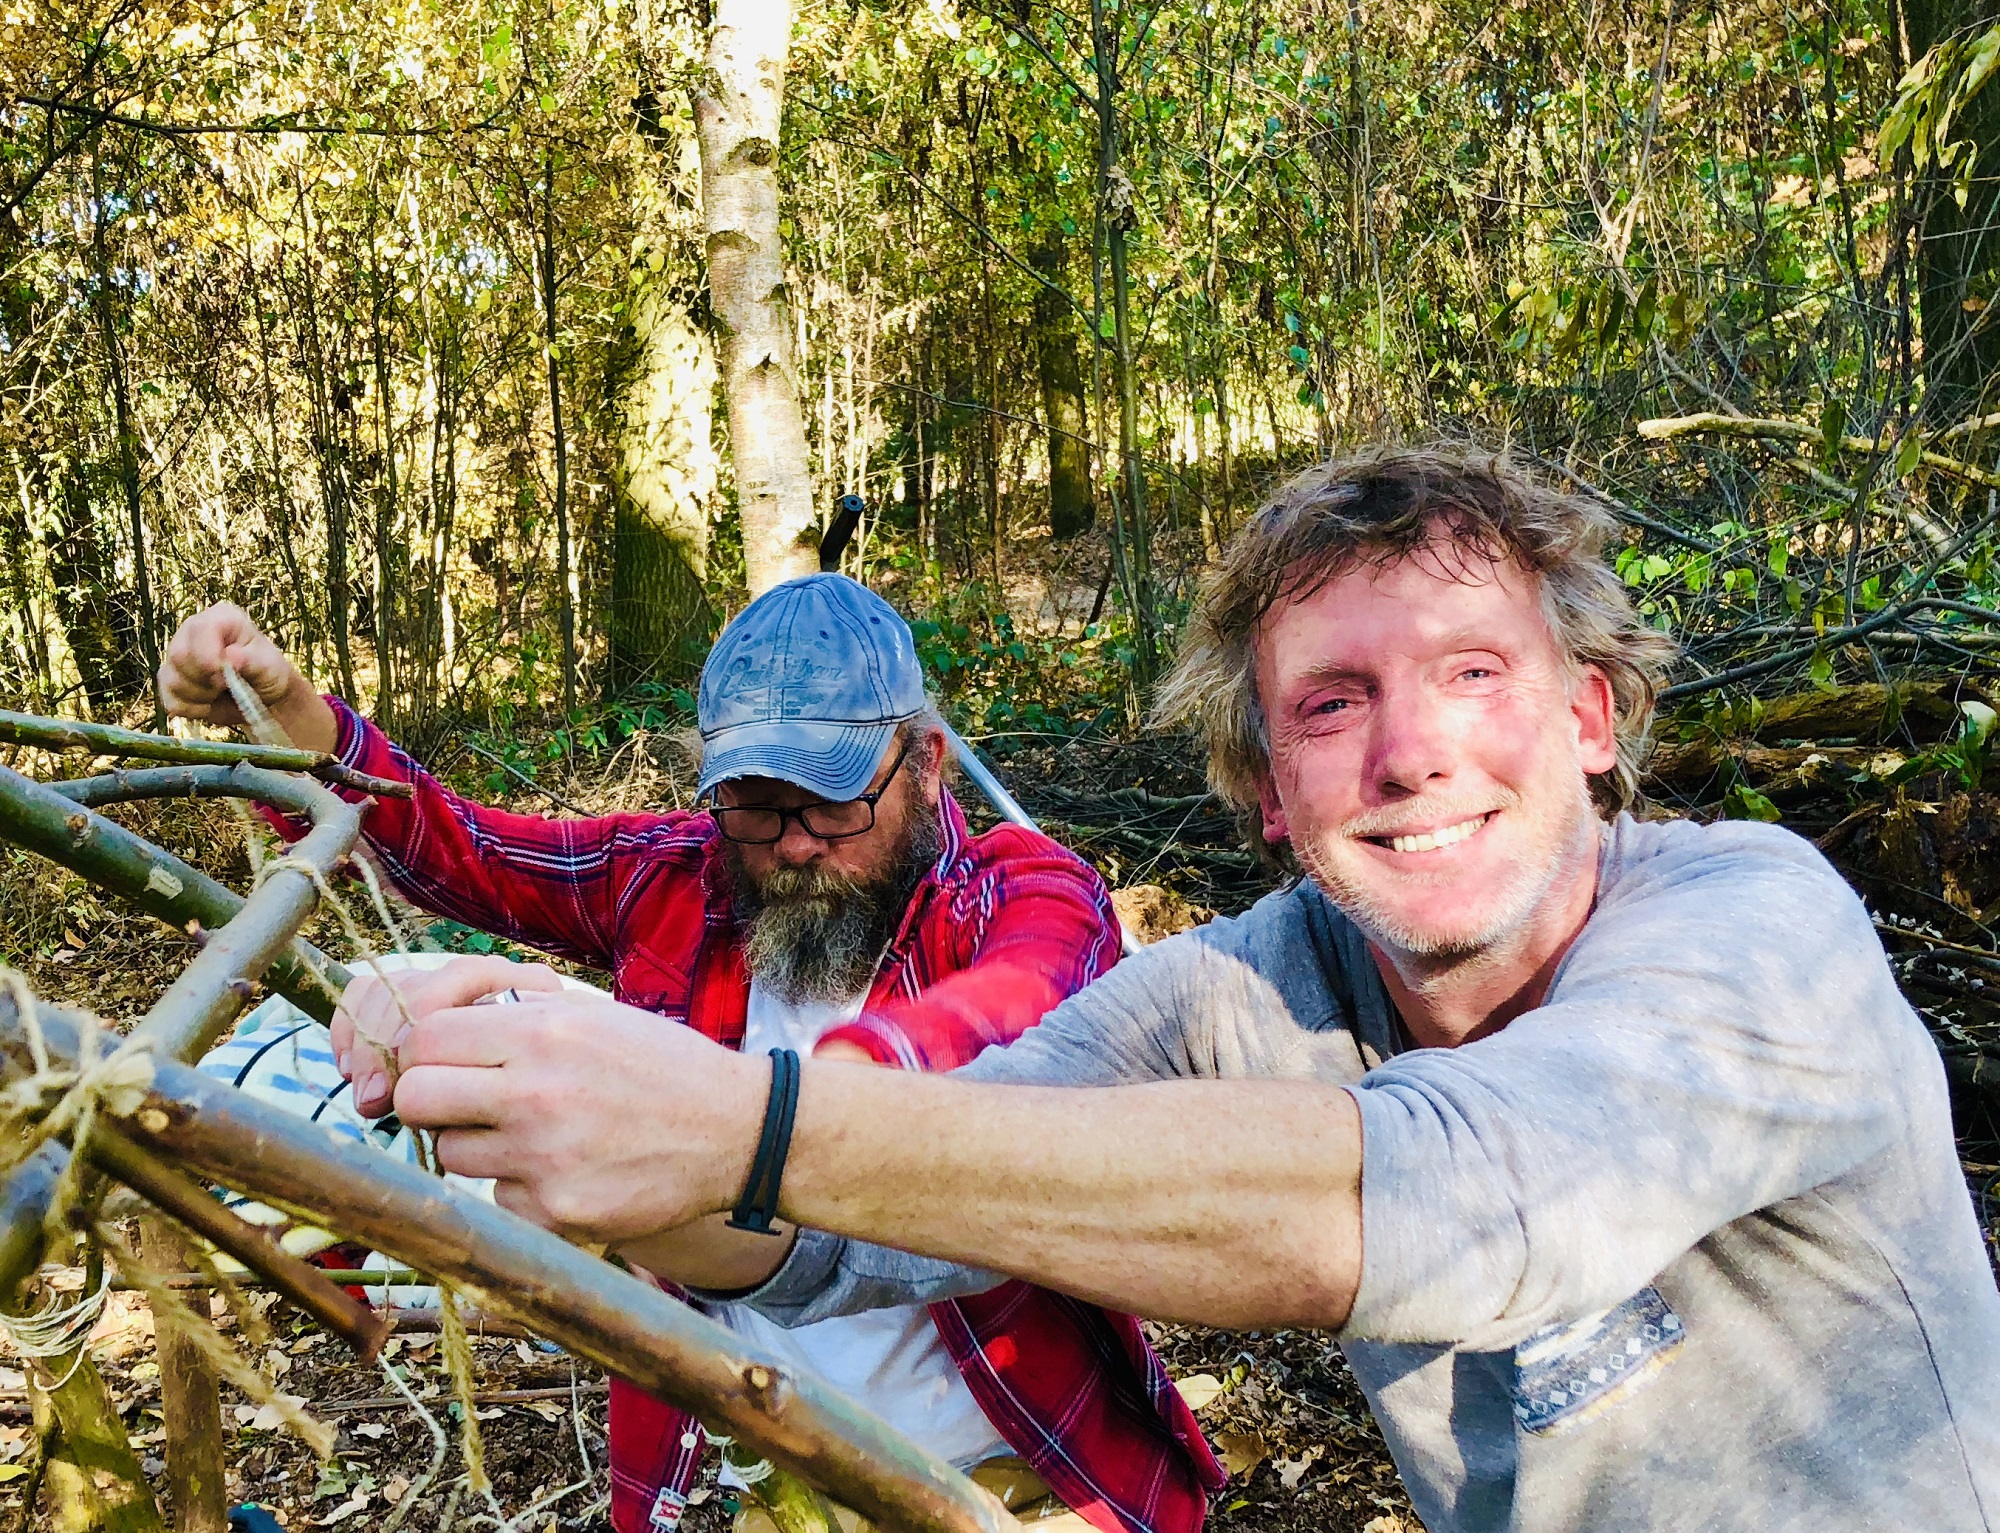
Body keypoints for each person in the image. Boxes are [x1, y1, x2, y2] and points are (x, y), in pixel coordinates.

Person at [348, 446, 2000, 1532]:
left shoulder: (1760, 925)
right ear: (1265, 785)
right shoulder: (1240, 989)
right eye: (1334, 701)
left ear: (1589, 717)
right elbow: (840, 1226)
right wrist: (555, 1101)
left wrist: (742, 1115)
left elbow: (1464, 1201)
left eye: (1472, 673)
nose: (1413, 747)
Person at [158, 574, 1223, 1533]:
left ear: (927, 763)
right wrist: (291, 715)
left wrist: (713, 1115)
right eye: (755, 808)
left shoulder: (1020, 888)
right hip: (774, 1469)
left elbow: (993, 1028)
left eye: (833, 800)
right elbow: (461, 852)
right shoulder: (674, 877)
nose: (795, 843)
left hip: (1015, 1468)